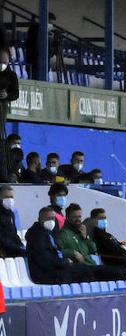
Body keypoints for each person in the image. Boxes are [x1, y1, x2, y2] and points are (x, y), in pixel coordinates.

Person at [88, 207, 126, 275]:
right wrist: (123, 248)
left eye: (105, 218)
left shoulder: (106, 234)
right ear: (93, 220)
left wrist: (120, 245)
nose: (104, 220)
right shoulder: (99, 236)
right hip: (121, 266)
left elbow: (122, 249)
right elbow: (115, 250)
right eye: (101, 218)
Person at [0, 49, 16, 182]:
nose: (2, 64)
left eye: (4, 62)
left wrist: (7, 95)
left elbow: (15, 93)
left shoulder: (11, 75)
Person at [0, 185, 24, 258]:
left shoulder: (11, 214)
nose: (10, 199)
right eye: (6, 197)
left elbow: (14, 234)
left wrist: (21, 245)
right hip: (4, 251)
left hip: (12, 248)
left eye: (11, 197)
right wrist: (16, 248)